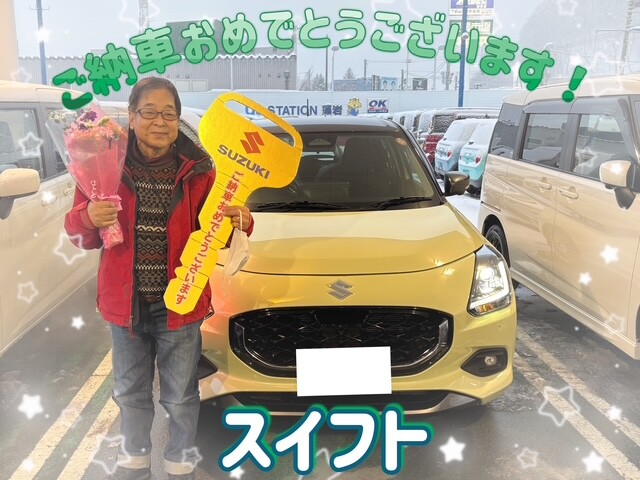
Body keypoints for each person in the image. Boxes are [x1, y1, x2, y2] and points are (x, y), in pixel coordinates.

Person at [65, 77, 253, 480]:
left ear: (178, 120)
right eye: (149, 112)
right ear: (132, 118)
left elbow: (218, 231)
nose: (160, 122)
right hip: (126, 304)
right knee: (130, 392)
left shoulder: (200, 171)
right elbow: (80, 236)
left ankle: (180, 462)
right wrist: (87, 217)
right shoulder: (103, 165)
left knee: (181, 395)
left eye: (169, 114)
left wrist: (242, 220)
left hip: (180, 304)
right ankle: (134, 460)